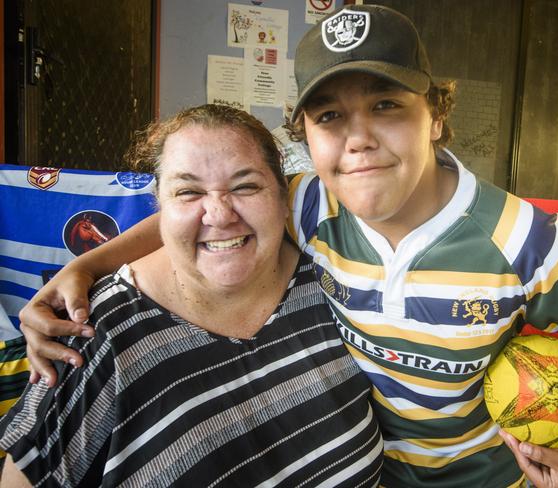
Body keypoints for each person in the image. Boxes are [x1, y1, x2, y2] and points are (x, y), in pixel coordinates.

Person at [16, 4, 558, 488]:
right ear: (305, 135)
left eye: (387, 105)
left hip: (486, 477)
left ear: (437, 116)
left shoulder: (527, 240)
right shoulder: (313, 203)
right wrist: (91, 263)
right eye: (330, 117)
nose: (359, 139)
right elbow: (211, 215)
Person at [0, 104, 384, 487]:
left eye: (245, 186)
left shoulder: (327, 272)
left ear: (285, 196)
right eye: (188, 191)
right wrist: (84, 268)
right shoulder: (99, 332)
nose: (219, 214)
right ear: (160, 207)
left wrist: (84, 264)